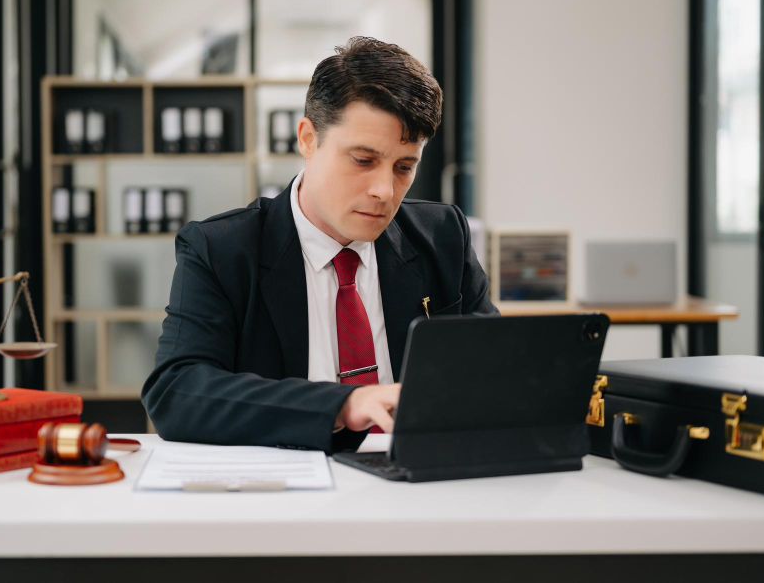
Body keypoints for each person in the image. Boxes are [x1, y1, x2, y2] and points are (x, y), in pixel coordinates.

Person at [141, 36, 499, 453]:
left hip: (417, 488)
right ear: (308, 139)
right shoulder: (222, 249)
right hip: (285, 496)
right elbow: (176, 392)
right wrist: (343, 405)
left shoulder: (443, 236)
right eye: (363, 161)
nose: (384, 190)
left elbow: (492, 368)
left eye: (404, 167)